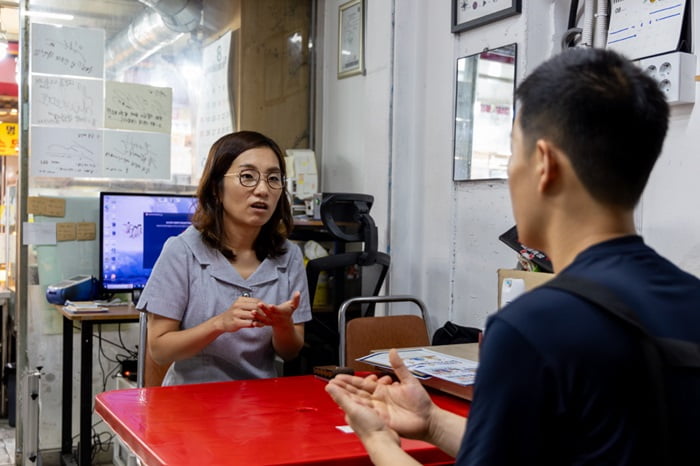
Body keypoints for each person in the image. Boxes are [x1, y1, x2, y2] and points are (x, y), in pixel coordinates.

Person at [325, 48, 700, 465]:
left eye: (511, 152)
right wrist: (432, 422)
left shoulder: (532, 327)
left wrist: (377, 439)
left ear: (543, 164)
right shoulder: (691, 301)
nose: (509, 172)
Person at [137, 130, 312, 385]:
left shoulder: (289, 256)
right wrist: (219, 324)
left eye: (273, 178)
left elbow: (290, 351)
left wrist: (282, 325)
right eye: (248, 177)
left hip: (262, 401)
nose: (262, 190)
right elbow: (161, 350)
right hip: (192, 401)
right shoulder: (181, 251)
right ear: (217, 189)